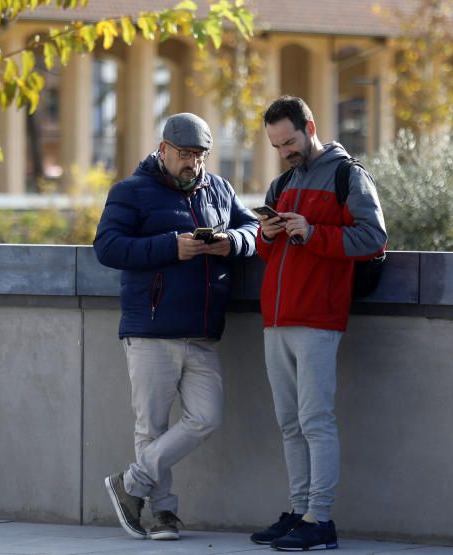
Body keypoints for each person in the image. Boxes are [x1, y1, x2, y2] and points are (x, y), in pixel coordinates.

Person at [93, 112, 259, 541]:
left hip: (202, 331)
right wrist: (172, 247)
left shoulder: (218, 188)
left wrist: (231, 243)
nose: (193, 164)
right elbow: (108, 247)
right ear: (163, 149)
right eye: (185, 154)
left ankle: (130, 485)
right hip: (150, 329)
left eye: (200, 155)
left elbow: (253, 228)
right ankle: (163, 514)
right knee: (152, 427)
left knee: (207, 416)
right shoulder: (130, 191)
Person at [250, 95, 387, 551]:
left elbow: (373, 237)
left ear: (309, 128)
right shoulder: (281, 184)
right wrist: (266, 235)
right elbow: (270, 254)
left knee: (315, 421)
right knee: (289, 423)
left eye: (288, 141)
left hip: (318, 319)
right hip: (277, 319)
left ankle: (320, 520)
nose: (284, 151)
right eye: (276, 144)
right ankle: (299, 512)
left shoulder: (350, 175)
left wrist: (312, 232)